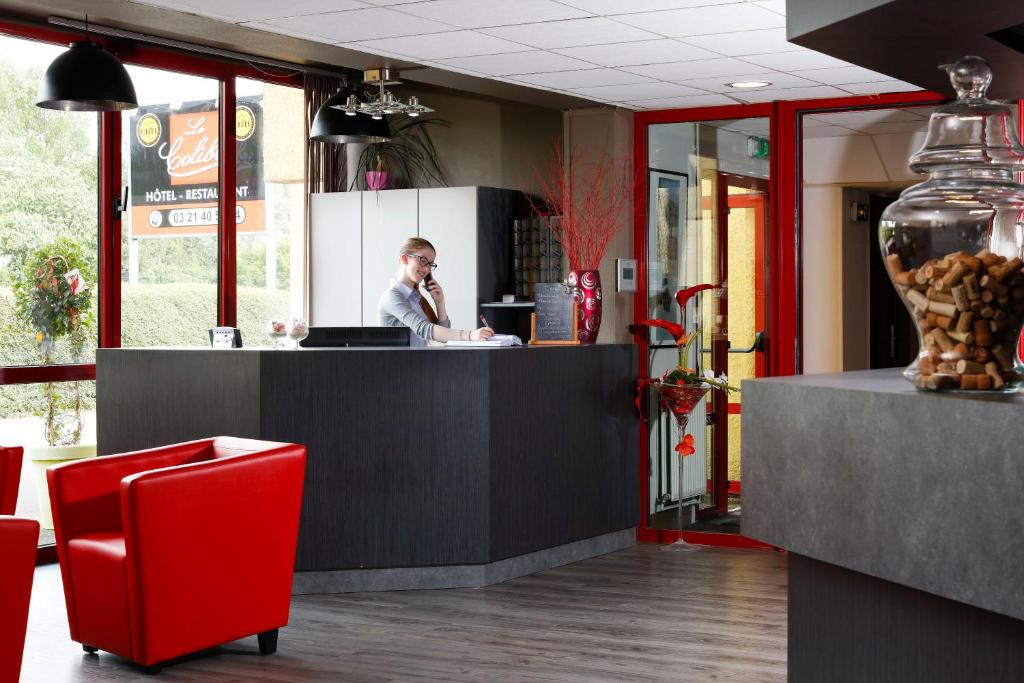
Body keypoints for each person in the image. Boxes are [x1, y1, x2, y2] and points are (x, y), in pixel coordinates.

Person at [378, 237, 494, 347]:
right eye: (423, 260)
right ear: (405, 259)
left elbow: (443, 338)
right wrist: (470, 335)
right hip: (400, 365)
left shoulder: (415, 298)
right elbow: (423, 328)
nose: (427, 269)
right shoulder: (392, 297)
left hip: (418, 363)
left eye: (430, 264)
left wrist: (440, 303)